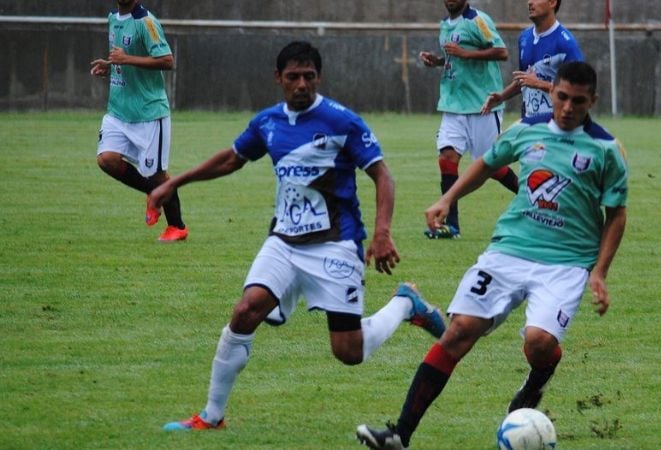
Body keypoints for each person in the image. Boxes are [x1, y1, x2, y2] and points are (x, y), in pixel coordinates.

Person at [151, 41, 447, 431]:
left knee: (348, 352)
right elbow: (231, 159)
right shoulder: (268, 122)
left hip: (336, 243)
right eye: (293, 77)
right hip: (284, 243)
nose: (301, 84)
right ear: (279, 79)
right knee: (245, 312)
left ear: (318, 78)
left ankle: (405, 305)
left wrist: (382, 233)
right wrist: (177, 183)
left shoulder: (342, 121)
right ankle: (211, 415)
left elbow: (382, 174)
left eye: (309, 76)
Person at [356, 61, 628, 450]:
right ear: (553, 93)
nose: (568, 108)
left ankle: (538, 375)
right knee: (459, 331)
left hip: (566, 263)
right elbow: (486, 163)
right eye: (562, 97)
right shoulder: (528, 130)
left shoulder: (605, 149)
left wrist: (599, 272)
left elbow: (616, 213)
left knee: (538, 343)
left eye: (578, 101)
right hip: (509, 250)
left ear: (593, 101)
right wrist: (448, 198)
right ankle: (400, 434)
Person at [419, 0, 519, 239]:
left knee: (491, 167)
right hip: (453, 104)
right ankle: (450, 225)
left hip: (481, 105)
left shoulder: (478, 20)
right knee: (447, 158)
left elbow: (501, 52)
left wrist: (466, 52)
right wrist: (438, 61)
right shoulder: (445, 25)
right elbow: (455, 59)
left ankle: (533, 198)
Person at [90, 0, 187, 241]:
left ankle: (177, 227)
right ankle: (154, 193)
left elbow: (167, 60)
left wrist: (127, 60)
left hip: (149, 113)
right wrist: (111, 66)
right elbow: (122, 57)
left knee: (157, 174)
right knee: (107, 160)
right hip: (118, 110)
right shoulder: (113, 17)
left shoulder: (147, 22)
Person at [481, 0, 584, 118]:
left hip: (557, 124)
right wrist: (501, 97)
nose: (530, 2)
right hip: (529, 121)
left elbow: (578, 89)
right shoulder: (525, 37)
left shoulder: (566, 43)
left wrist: (539, 84)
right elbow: (525, 80)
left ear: (552, 3)